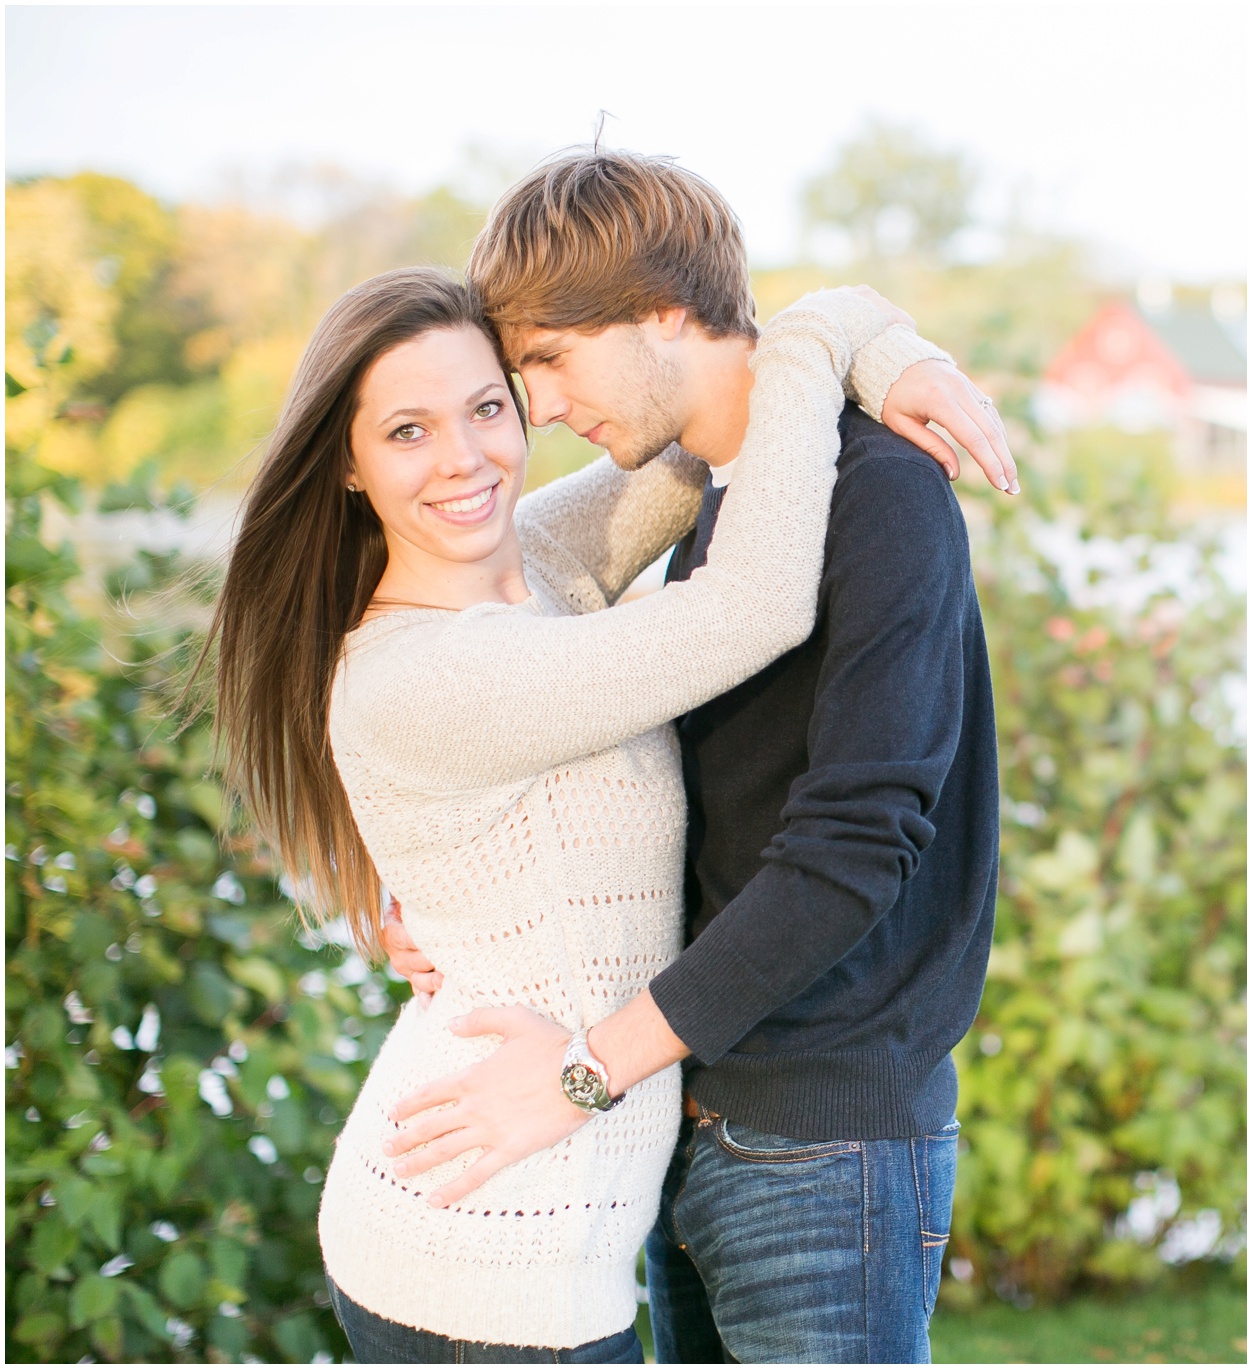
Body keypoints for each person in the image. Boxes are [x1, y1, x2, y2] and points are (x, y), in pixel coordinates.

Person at [202, 255, 1002, 1362]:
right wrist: (832, 337)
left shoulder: (537, 558)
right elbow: (753, 604)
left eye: (488, 404)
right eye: (406, 432)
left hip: (569, 1225)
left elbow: (709, 422)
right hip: (482, 1249)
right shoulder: (426, 674)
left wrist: (873, 335)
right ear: (342, 462)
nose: (467, 456)